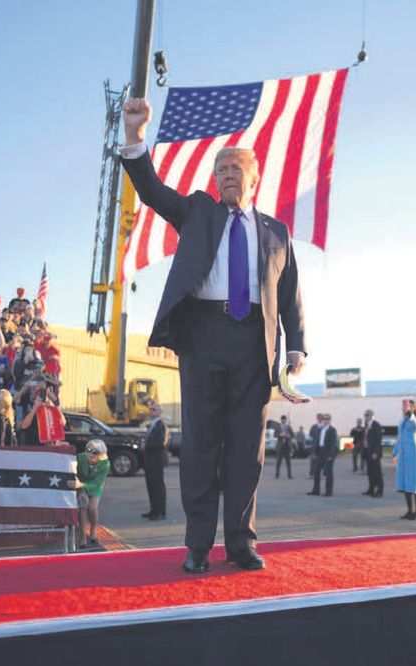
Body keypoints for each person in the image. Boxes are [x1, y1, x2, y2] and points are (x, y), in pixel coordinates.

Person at [121, 96, 307, 575]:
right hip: (203, 336)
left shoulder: (277, 232)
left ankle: (241, 543)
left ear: (253, 179)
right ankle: (198, 546)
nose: (225, 174)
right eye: (220, 168)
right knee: (202, 444)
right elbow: (152, 191)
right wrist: (136, 138)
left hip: (254, 343)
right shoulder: (198, 212)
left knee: (247, 448)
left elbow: (289, 295)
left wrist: (297, 346)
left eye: (234, 168)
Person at [392, 399, 416, 520]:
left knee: (415, 482)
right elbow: (399, 437)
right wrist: (395, 452)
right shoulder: (402, 420)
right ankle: (410, 511)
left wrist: (412, 415)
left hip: (413, 453)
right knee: (405, 483)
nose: (407, 409)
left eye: (410, 407)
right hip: (403, 454)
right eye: (406, 407)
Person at [76, 439, 110, 551]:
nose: (90, 453)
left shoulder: (105, 464)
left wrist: (82, 484)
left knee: (93, 508)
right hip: (80, 486)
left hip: (94, 487)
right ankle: (82, 536)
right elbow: (73, 473)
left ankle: (93, 531)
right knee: (83, 507)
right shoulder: (80, 457)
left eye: (94, 452)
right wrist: (80, 488)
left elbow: (97, 484)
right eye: (89, 450)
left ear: (101, 454)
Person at [141, 402, 169, 520]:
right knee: (151, 486)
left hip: (156, 461)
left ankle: (160, 512)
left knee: (158, 486)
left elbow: (161, 443)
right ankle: (153, 509)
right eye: (150, 409)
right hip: (149, 461)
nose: (150, 411)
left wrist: (146, 446)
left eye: (153, 409)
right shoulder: (152, 424)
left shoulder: (161, 425)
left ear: (159, 412)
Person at [308, 413, 338, 496]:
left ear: (329, 420)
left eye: (327, 419)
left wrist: (331, 455)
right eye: (324, 419)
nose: (325, 420)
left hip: (328, 453)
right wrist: (314, 452)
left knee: (328, 473)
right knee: (316, 471)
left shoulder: (332, 430)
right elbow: (316, 442)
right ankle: (316, 490)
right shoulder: (320, 429)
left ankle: (329, 491)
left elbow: (333, 444)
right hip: (320, 452)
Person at [362, 409, 384, 497]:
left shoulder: (376, 425)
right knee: (370, 471)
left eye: (369, 415)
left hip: (374, 452)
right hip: (367, 451)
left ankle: (380, 490)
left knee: (377, 472)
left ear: (372, 416)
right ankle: (371, 489)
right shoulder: (366, 426)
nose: (367, 417)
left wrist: (375, 452)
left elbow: (378, 440)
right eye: (366, 415)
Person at [274, 414, 293, 479]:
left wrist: (288, 435)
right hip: (280, 446)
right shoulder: (278, 427)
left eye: (284, 420)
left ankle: (289, 475)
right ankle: (277, 475)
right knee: (278, 462)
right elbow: (275, 435)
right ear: (281, 420)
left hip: (287, 446)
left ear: (286, 420)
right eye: (282, 420)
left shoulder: (288, 427)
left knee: (288, 462)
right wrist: (280, 434)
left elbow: (292, 435)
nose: (283, 421)